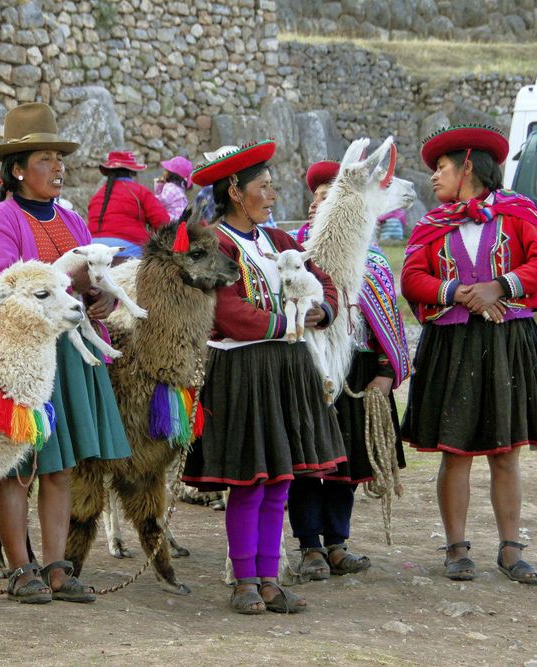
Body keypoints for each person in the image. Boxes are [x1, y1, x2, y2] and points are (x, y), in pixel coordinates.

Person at [0, 103, 132, 604]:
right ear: (18, 169)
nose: (58, 168)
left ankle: (59, 568)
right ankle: (22, 569)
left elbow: (91, 287)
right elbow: (5, 286)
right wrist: (66, 281)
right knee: (19, 463)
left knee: (61, 466)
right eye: (45, 159)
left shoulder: (71, 219)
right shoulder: (1, 220)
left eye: (59, 159)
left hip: (70, 356)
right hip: (25, 358)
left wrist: (100, 297)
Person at [181, 142, 347, 614]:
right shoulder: (210, 244)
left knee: (279, 479)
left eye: (272, 186)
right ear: (234, 190)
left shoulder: (279, 241)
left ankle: (269, 579)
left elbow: (324, 280)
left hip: (285, 370)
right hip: (241, 369)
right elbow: (229, 313)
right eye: (263, 186)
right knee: (249, 480)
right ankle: (244, 578)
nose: (272, 194)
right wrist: (286, 323)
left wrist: (323, 309)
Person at [401, 124, 537, 585]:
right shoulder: (433, 226)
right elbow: (412, 278)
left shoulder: (516, 213)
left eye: (442, 168)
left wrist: (501, 285)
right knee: (456, 451)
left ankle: (511, 549)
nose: (434, 177)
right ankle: (456, 549)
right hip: (453, 344)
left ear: (468, 165)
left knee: (506, 450)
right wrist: (460, 291)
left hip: (508, 343)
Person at [287, 160, 412, 580]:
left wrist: (383, 371)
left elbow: (384, 321)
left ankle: (337, 542)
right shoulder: (291, 257)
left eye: (331, 198)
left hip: (355, 372)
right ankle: (309, 546)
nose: (321, 205)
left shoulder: (372, 261)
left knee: (346, 463)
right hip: (306, 368)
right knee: (306, 460)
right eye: (318, 199)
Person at [87, 150, 170, 259]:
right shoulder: (140, 192)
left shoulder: (97, 196)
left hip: (92, 249)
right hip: (127, 250)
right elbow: (163, 223)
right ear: (132, 172)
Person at [153, 155, 193, 220]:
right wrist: (160, 184)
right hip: (181, 217)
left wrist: (148, 198)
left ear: (172, 174)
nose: (163, 172)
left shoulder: (171, 188)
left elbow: (161, 201)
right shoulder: (178, 187)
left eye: (166, 170)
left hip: (174, 219)